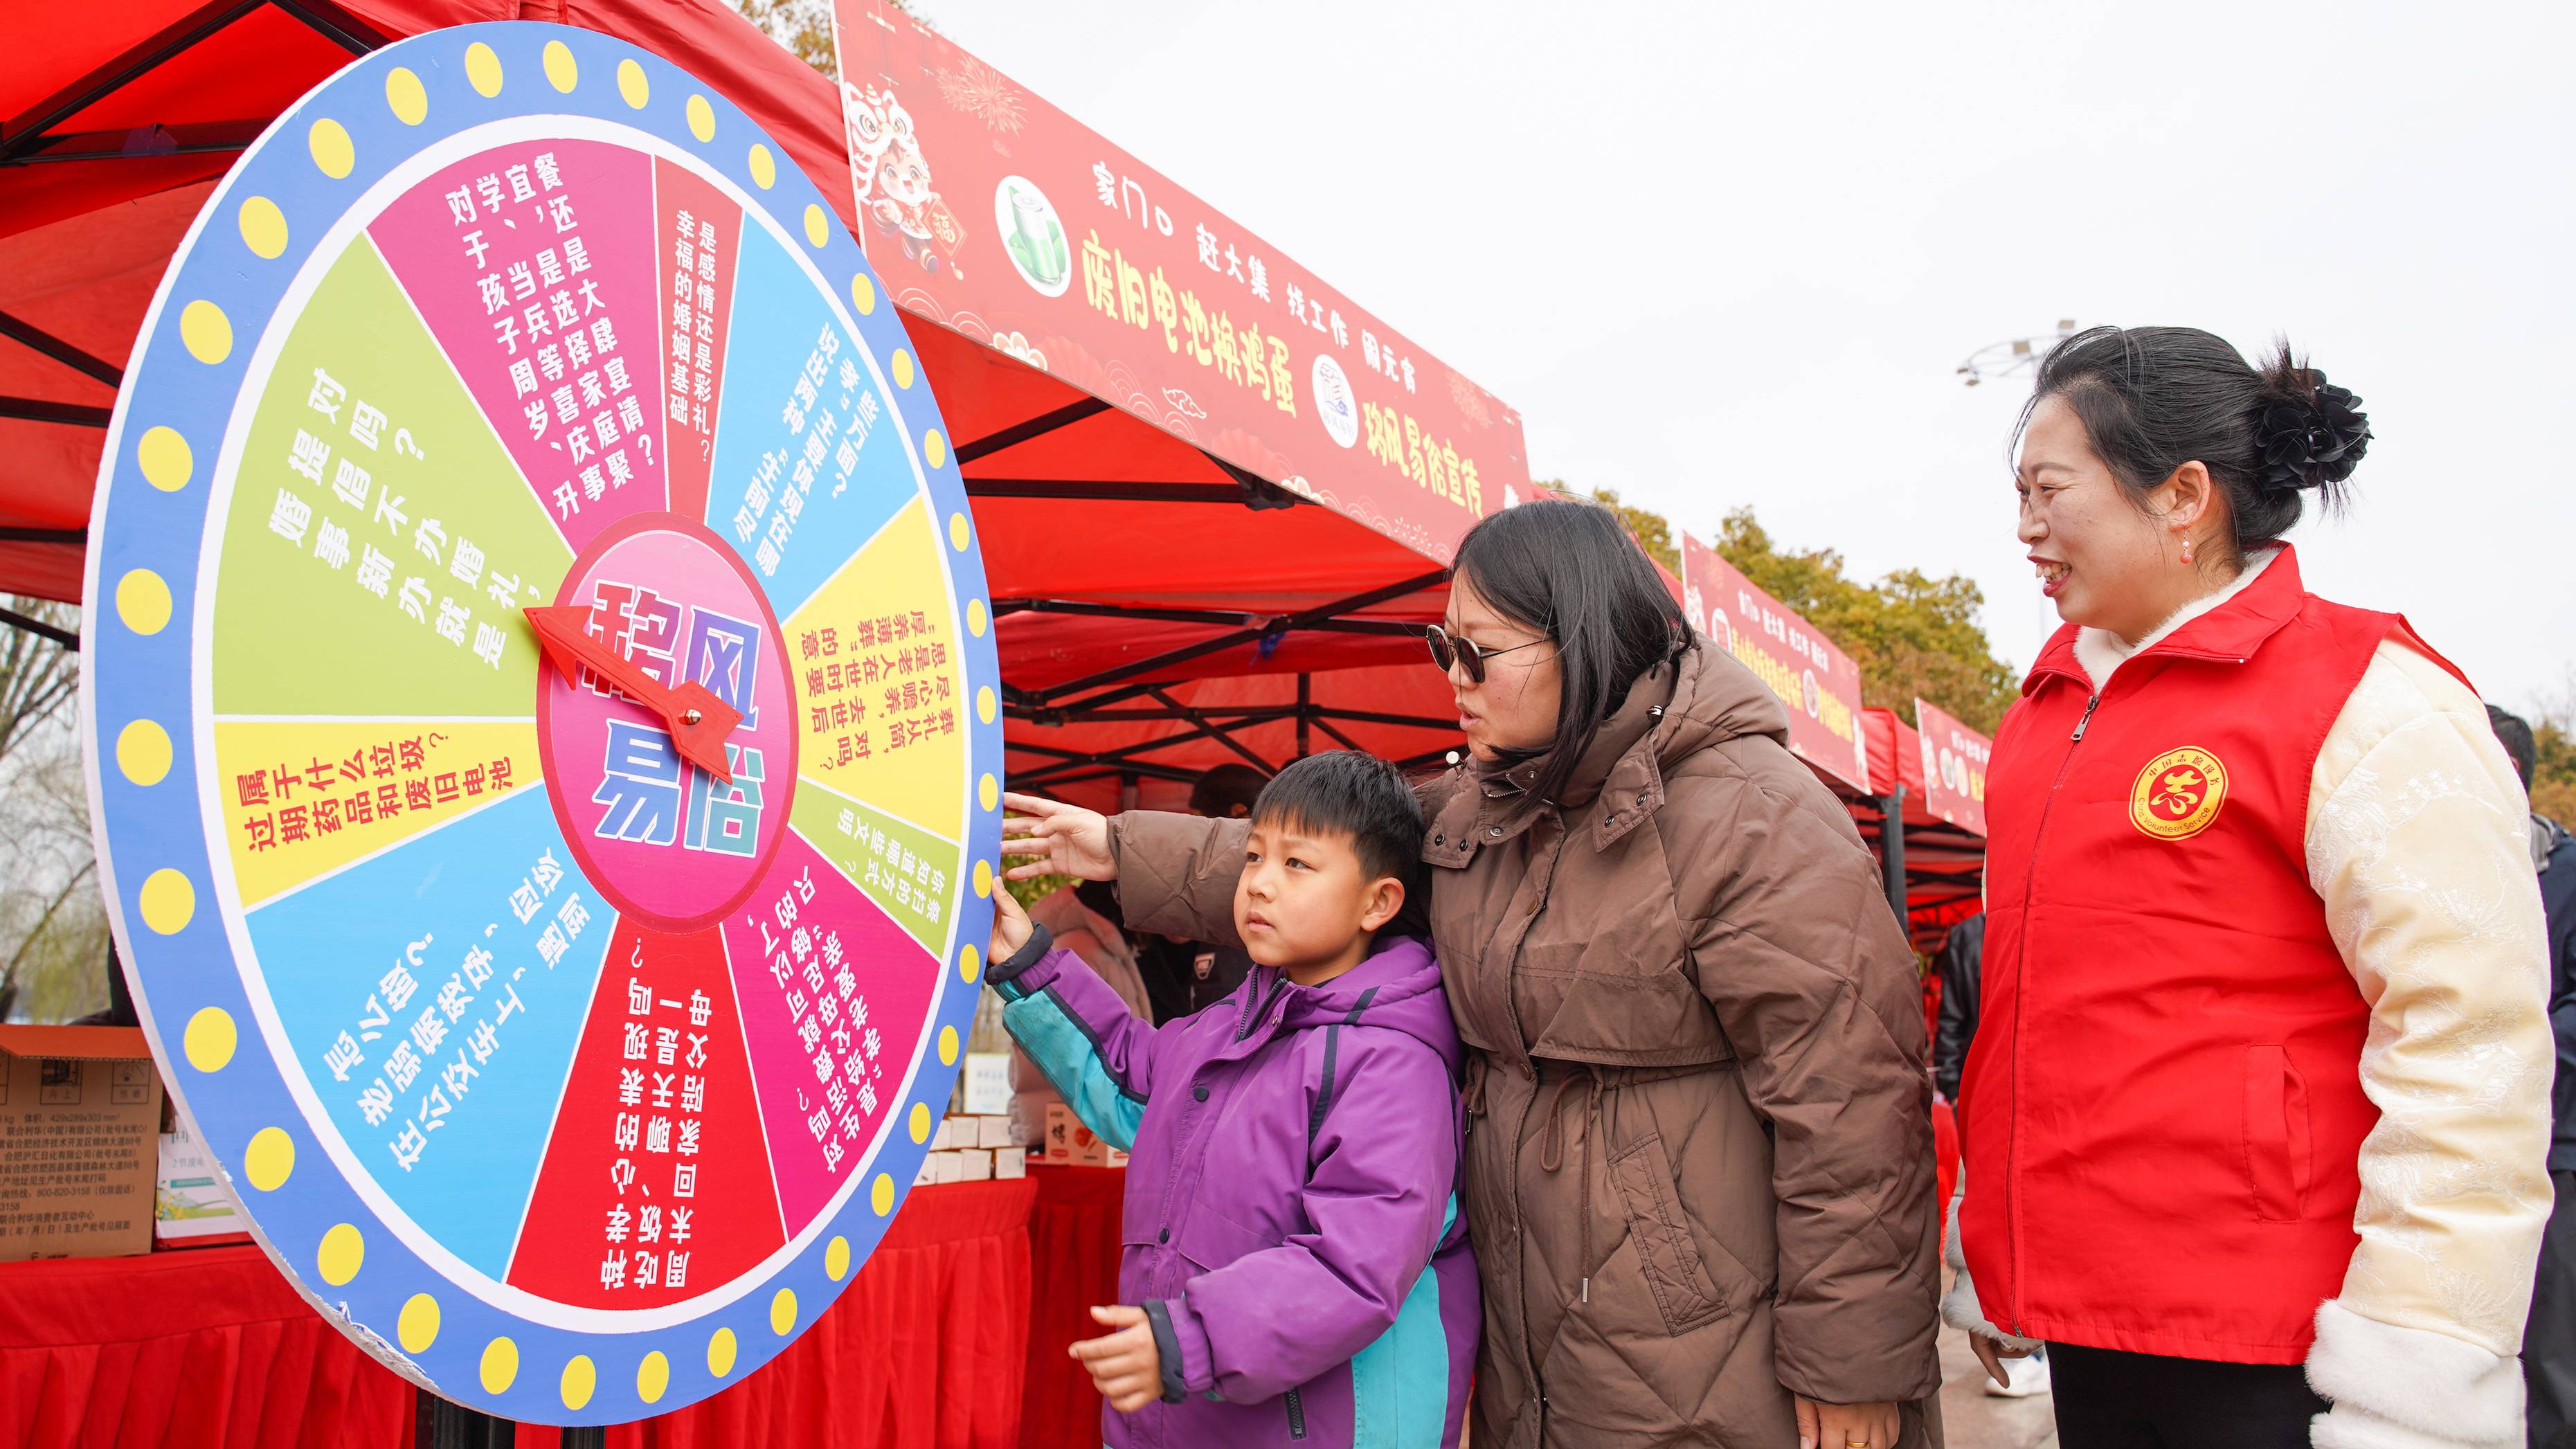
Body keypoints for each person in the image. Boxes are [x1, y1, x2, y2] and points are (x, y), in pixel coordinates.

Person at [1009, 498, 1943, 1449]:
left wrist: (1855, 1361)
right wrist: (1121, 848)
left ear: (1580, 642)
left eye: (1479, 652)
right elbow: (1321, 865)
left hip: (1707, 1340)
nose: (1453, 677)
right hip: (1532, 1332)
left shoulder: (1758, 819)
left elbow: (1854, 1104)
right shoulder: (1488, 807)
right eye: (1441, 645)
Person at [1949, 325, 2552, 1449]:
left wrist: (2417, 1370)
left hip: (2289, 1346)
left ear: (2183, 495)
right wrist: (1988, 1244)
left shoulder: (2372, 700)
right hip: (2086, 1321)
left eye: (2048, 490)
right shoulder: (2038, 715)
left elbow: (2468, 1046)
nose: (2024, 527)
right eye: (2017, 494)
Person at [985, 750, 1478, 1447]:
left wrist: (1190, 1338)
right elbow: (1131, 1081)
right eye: (1253, 857)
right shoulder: (1232, 1021)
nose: (1259, 885)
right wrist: (1030, 964)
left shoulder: (1394, 1062)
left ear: (1378, 901)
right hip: (1193, 1410)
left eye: (1296, 863)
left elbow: (1353, 1266)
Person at [2489, 705, 2576, 1449]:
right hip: (2443, 1140)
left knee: (2549, 1349)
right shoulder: (2419, 867)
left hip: (2554, 1145)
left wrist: (2501, 1043)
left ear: (2507, 771)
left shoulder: (2567, 873)